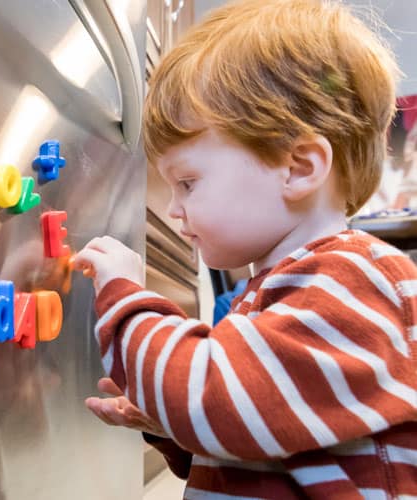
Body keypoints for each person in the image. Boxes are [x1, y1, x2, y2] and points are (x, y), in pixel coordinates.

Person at [71, 0, 417, 497]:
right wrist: (173, 430)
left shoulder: (350, 282)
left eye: (188, 182)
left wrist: (124, 297)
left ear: (298, 168)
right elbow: (268, 447)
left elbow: (214, 401)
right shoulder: (286, 288)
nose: (173, 208)